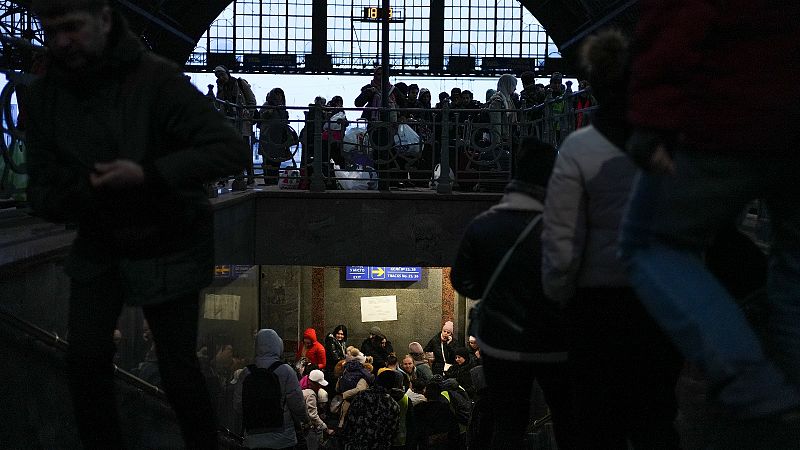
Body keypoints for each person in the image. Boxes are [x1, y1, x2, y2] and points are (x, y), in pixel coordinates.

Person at [24, 1, 248, 448]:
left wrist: (146, 175)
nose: (60, 41)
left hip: (168, 239)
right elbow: (42, 188)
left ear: (104, 20)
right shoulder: (49, 93)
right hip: (104, 237)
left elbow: (230, 150)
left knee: (175, 368)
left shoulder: (156, 80)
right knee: (86, 360)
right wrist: (88, 191)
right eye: (50, 30)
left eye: (72, 27)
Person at [621, 1, 800, 447]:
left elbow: (676, 18)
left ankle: (755, 387)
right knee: (795, 266)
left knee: (649, 243)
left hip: (726, 116)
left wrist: (650, 121)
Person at [542, 29, 682, 449]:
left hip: (595, 306)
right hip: (658, 303)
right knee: (655, 414)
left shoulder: (578, 150)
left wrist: (561, 296)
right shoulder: (669, 146)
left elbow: (562, 246)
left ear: (596, 85)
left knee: (596, 421)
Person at [450, 136, 574, 449]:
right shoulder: (567, 227)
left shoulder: (482, 225)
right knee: (568, 418)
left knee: (508, 423)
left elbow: (462, 282)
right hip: (556, 342)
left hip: (500, 343)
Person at [234, 329, 309, 449]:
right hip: (283, 439)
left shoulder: (246, 372)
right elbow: (297, 404)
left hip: (253, 439)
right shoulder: (286, 371)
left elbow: (238, 405)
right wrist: (305, 419)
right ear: (278, 346)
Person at [214, 65, 257, 187]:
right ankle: (225, 177)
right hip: (229, 122)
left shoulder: (239, 83)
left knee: (244, 149)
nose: (221, 77)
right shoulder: (221, 87)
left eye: (222, 74)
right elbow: (219, 103)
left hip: (242, 122)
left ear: (227, 73)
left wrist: (249, 113)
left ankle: (248, 176)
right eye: (218, 76)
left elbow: (251, 100)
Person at [258, 87, 293, 185]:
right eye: (277, 94)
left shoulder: (282, 107)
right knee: (268, 160)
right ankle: (269, 180)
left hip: (279, 138)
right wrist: (268, 112)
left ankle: (274, 179)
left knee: (277, 160)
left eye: (280, 94)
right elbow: (261, 117)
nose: (278, 97)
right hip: (268, 138)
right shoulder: (267, 105)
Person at [302, 370, 335, 450]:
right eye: (319, 385)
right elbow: (313, 416)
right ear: (313, 383)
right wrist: (326, 428)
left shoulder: (303, 385)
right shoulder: (310, 394)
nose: (320, 387)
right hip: (306, 427)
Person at [323, 324, 348, 390]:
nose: (340, 336)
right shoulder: (331, 342)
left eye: (342, 334)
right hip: (332, 369)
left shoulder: (342, 343)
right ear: (335, 333)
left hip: (338, 368)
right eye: (338, 334)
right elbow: (335, 357)